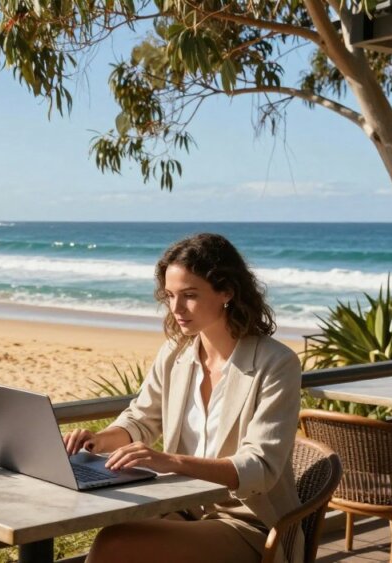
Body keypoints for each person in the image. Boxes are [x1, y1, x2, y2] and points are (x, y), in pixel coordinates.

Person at [64, 233, 303, 563]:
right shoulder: (174, 354)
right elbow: (141, 419)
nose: (176, 308)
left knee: (115, 544)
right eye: (170, 296)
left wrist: (169, 461)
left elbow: (259, 468)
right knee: (113, 535)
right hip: (181, 509)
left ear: (227, 291)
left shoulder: (277, 364)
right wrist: (98, 440)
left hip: (249, 525)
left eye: (189, 295)